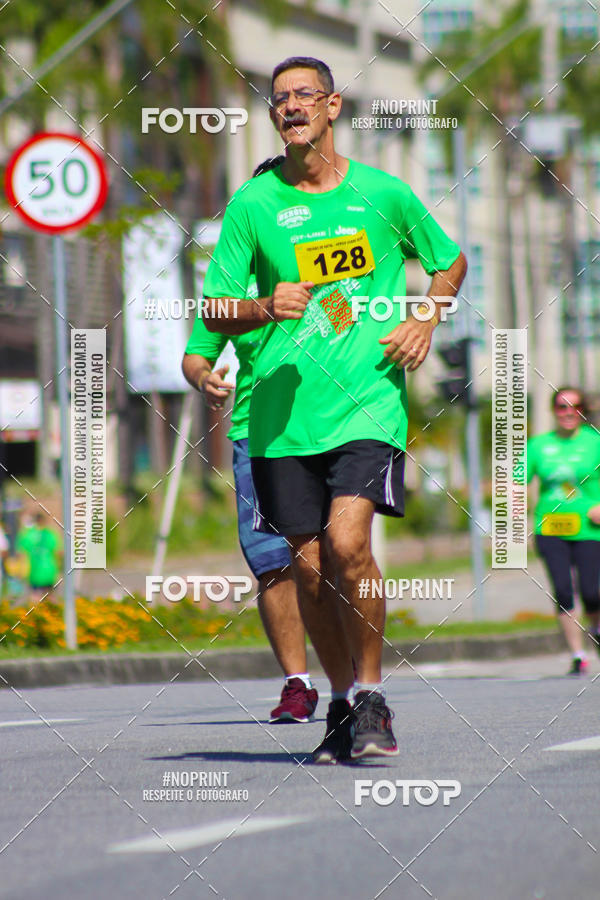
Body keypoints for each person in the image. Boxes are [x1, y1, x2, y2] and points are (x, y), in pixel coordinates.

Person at [203, 56, 466, 763]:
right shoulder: (254, 205)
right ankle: (344, 701)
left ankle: (374, 694)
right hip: (282, 420)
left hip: (367, 403)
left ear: (333, 106)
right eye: (278, 98)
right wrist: (261, 306)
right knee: (310, 569)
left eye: (303, 96)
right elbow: (213, 308)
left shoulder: (382, 193)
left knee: (350, 545)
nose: (290, 107)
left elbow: (448, 260)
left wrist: (425, 319)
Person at [183, 156, 318, 724]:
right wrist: (204, 377)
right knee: (270, 562)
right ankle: (297, 681)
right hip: (254, 434)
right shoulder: (230, 296)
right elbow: (196, 351)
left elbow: (347, 327)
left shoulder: (323, 284)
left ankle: (349, 680)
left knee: (325, 560)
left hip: (322, 431)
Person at [527, 387, 600, 675]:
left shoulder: (595, 442)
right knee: (563, 589)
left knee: (592, 592)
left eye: (575, 407)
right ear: (553, 410)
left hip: (589, 529)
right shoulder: (538, 445)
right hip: (551, 527)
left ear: (582, 411)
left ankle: (595, 626)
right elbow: (518, 481)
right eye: (561, 406)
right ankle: (578, 654)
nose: (568, 412)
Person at [15, 511, 62, 603]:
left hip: (33, 572)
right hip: (49, 571)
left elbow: (20, 553)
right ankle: (52, 614)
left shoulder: (27, 534)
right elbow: (59, 552)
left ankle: (36, 616)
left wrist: (19, 570)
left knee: (35, 597)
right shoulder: (50, 534)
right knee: (51, 597)